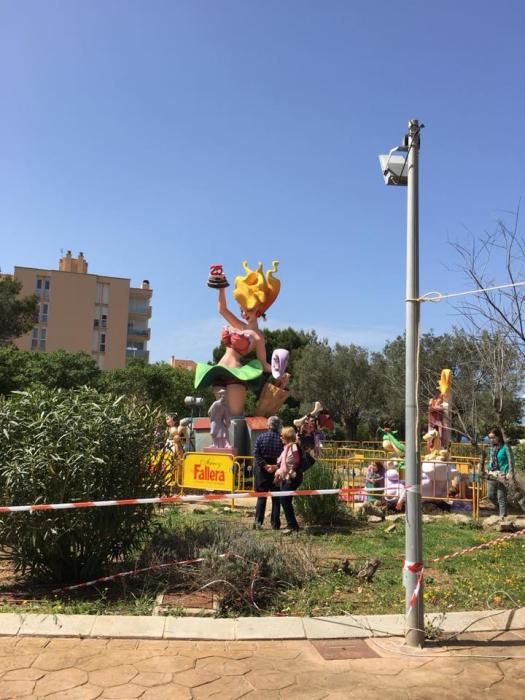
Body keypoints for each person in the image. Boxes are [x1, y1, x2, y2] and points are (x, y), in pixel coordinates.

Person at [253, 415, 283, 530]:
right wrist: (275, 466)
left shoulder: (261, 437)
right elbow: (284, 457)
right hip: (276, 471)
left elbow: (256, 454)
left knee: (261, 497)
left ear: (268, 425)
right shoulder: (281, 439)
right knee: (276, 498)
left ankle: (258, 523)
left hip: (262, 471)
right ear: (278, 426)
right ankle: (275, 525)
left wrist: (265, 466)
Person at [274, 426, 302, 534]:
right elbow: (282, 463)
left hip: (293, 478)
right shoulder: (286, 448)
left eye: (282, 436)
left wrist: (290, 472)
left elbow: (297, 460)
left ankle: (292, 525)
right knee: (286, 500)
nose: (280, 438)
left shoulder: (294, 446)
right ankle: (292, 525)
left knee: (284, 499)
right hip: (287, 477)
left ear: (286, 436)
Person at [486, 427, 512, 517]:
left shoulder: (506, 447)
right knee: (490, 496)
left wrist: (509, 472)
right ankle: (505, 508)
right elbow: (491, 460)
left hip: (502, 475)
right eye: (490, 438)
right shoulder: (492, 448)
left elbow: (511, 461)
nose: (491, 440)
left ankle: (502, 516)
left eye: (493, 437)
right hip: (492, 474)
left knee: (501, 497)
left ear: (499, 436)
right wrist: (487, 468)